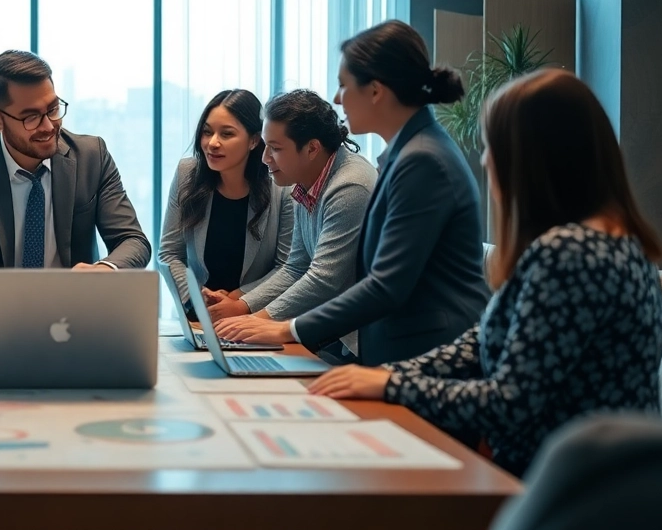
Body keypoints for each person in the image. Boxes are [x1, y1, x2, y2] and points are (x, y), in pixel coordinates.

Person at [309, 69, 662, 477]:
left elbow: (510, 402)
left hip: (569, 493)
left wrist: (392, 386)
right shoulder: (616, 241)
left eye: (492, 146)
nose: (485, 159)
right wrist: (385, 376)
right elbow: (477, 344)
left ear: (532, 160)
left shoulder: (569, 254)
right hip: (589, 480)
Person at [215, 20, 490, 366]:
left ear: (375, 91)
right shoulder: (409, 152)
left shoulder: (421, 161)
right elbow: (304, 266)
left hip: (424, 356)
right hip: (401, 348)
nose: (336, 98)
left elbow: (385, 286)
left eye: (344, 85)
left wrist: (286, 329)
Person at [0, 49, 151, 314]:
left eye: (53, 109)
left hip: (80, 318)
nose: (48, 126)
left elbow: (133, 240)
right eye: (31, 117)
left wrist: (105, 269)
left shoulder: (92, 156)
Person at [212, 90, 378, 355]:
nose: (265, 158)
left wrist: (257, 321)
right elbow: (296, 266)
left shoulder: (350, 186)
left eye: (275, 149)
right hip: (336, 333)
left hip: (364, 342)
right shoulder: (301, 182)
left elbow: (324, 280)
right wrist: (244, 309)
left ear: (312, 148)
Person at [158, 89, 293, 322]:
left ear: (253, 140)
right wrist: (195, 296)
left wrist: (238, 300)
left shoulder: (282, 188)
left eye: (227, 134)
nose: (212, 143)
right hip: (197, 318)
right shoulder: (186, 174)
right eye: (207, 132)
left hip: (255, 320)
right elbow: (169, 253)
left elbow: (287, 266)